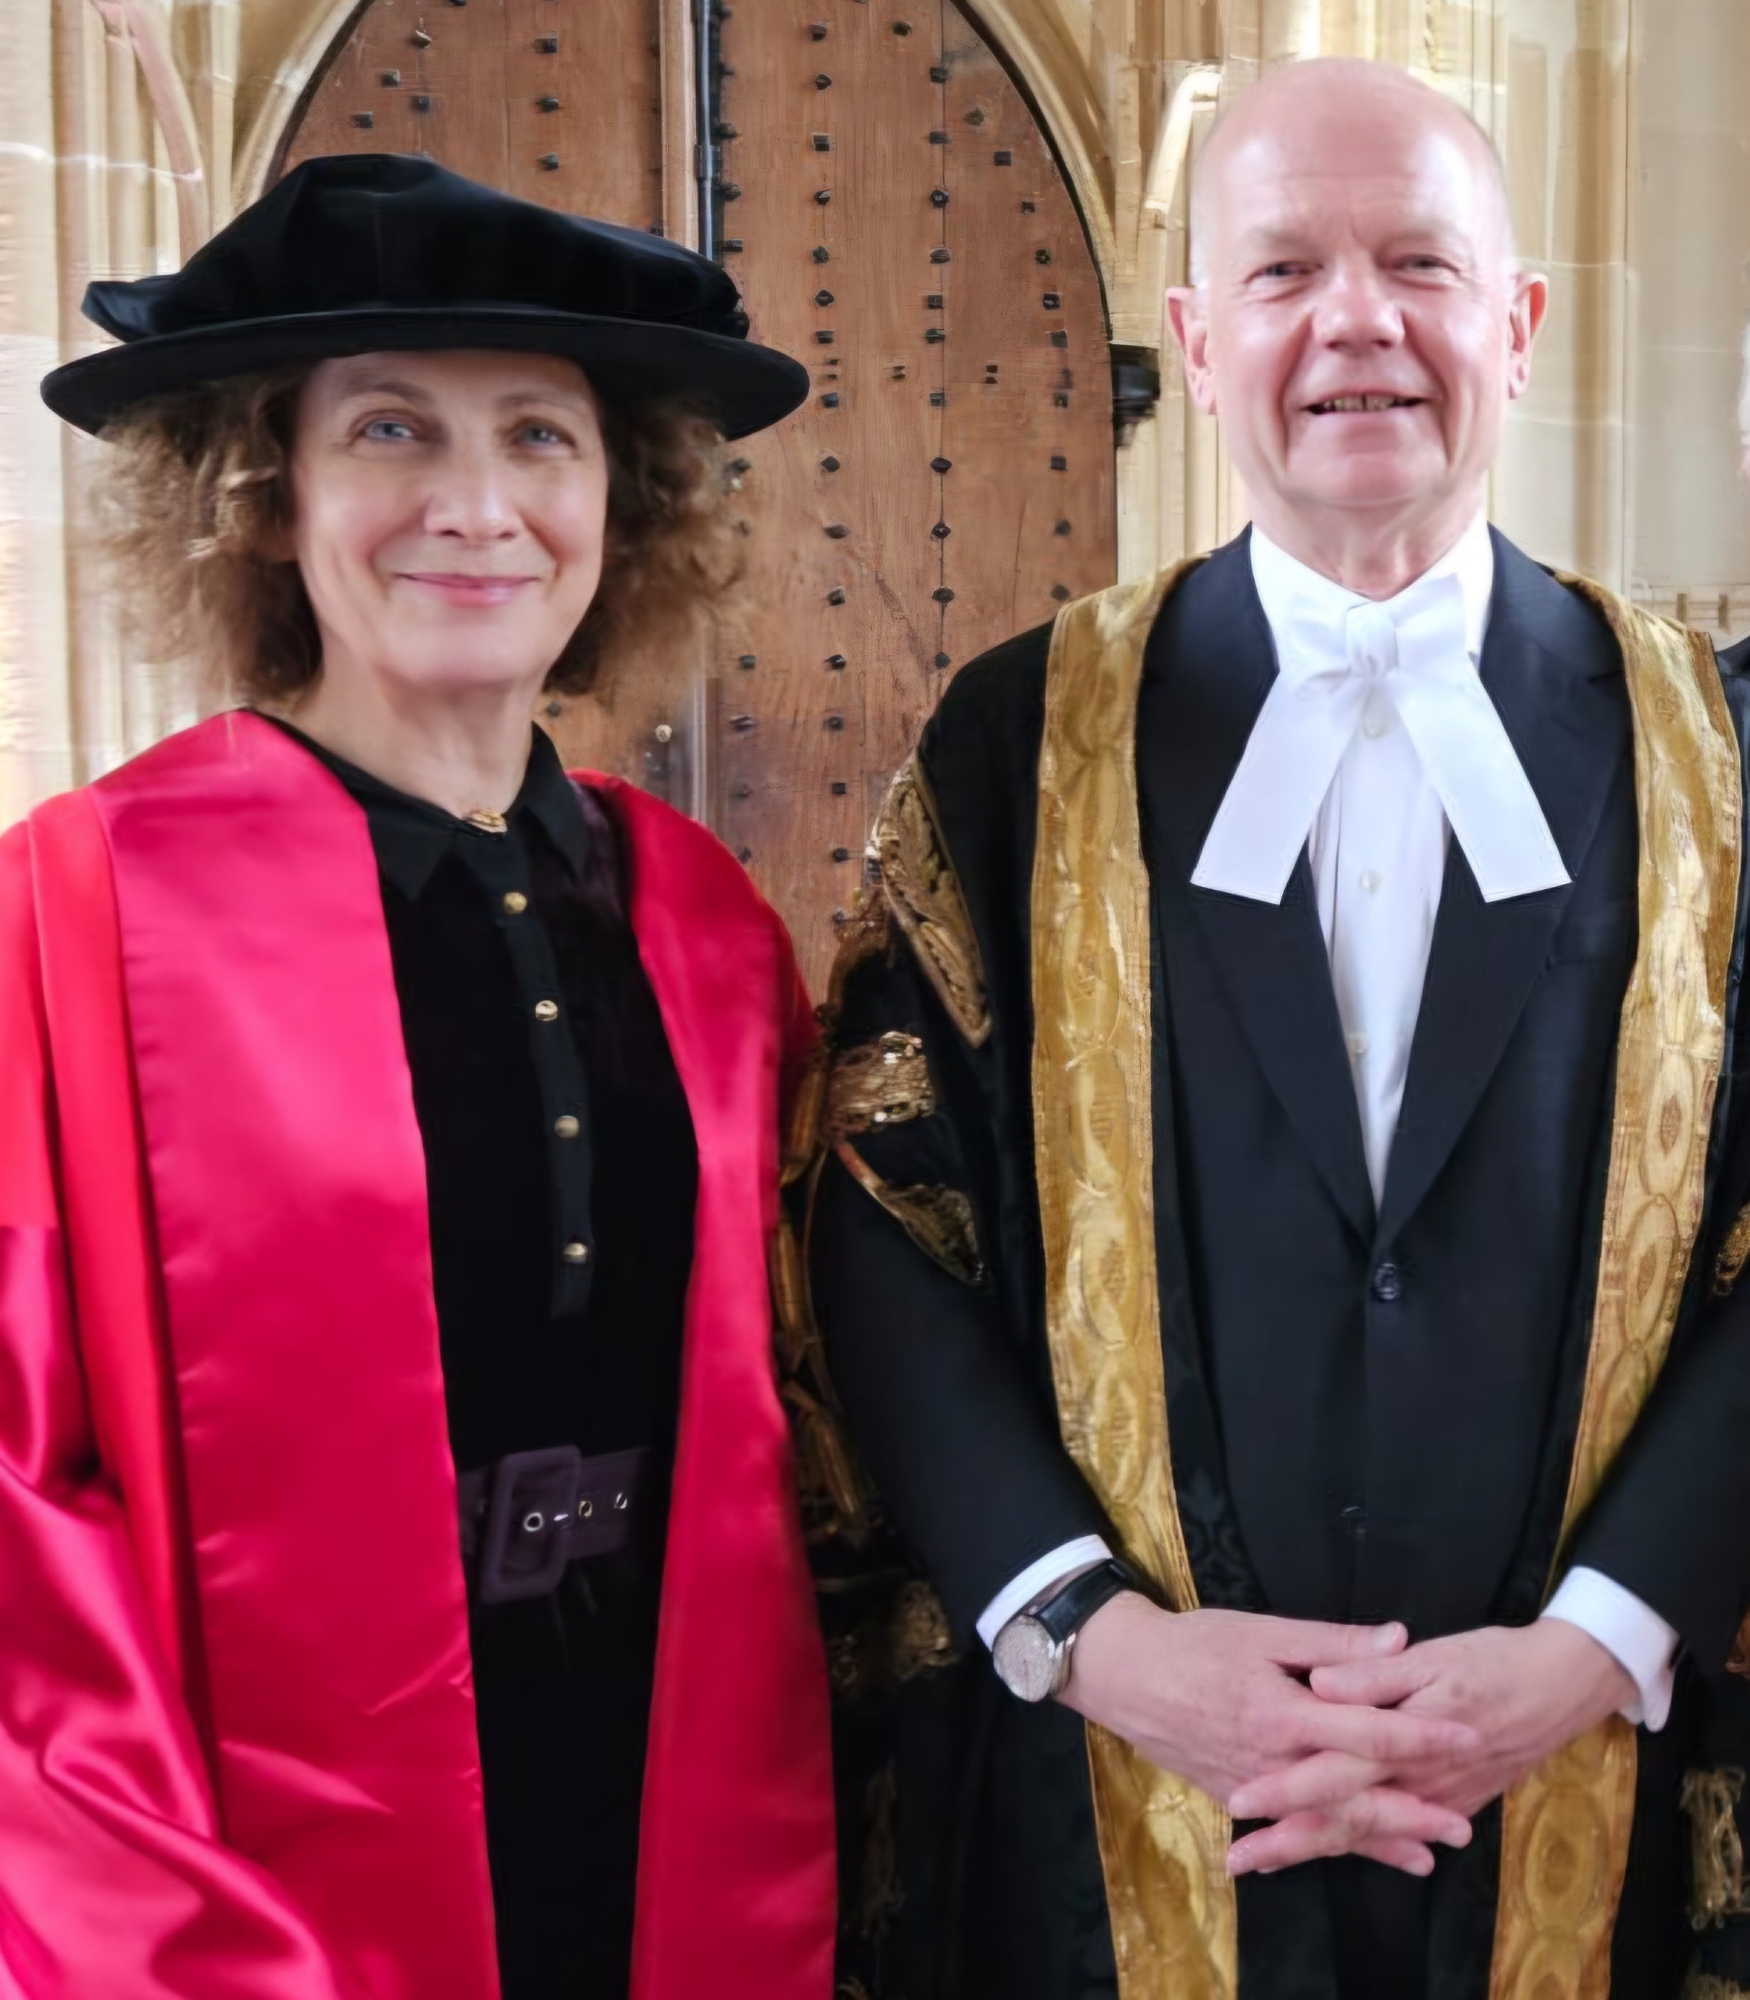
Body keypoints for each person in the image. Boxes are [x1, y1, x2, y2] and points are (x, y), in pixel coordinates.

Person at [801, 57, 1750, 1999]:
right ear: (1196, 337)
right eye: (1284, 269)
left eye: (1418, 263)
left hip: (1579, 1772)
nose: (1355, 321)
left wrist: (1594, 1639)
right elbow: (881, 1221)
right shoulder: (1019, 737)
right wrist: (1090, 1634)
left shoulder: (1712, 754)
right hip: (1123, 1785)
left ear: (1516, 321)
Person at [2, 153, 832, 2000]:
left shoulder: (704, 921)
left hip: (664, 1765)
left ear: (620, 501)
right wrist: (159, 1930)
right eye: (390, 430)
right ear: (264, 494)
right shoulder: (78, 911)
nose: (475, 506)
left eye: (540, 437)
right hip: (266, 1849)